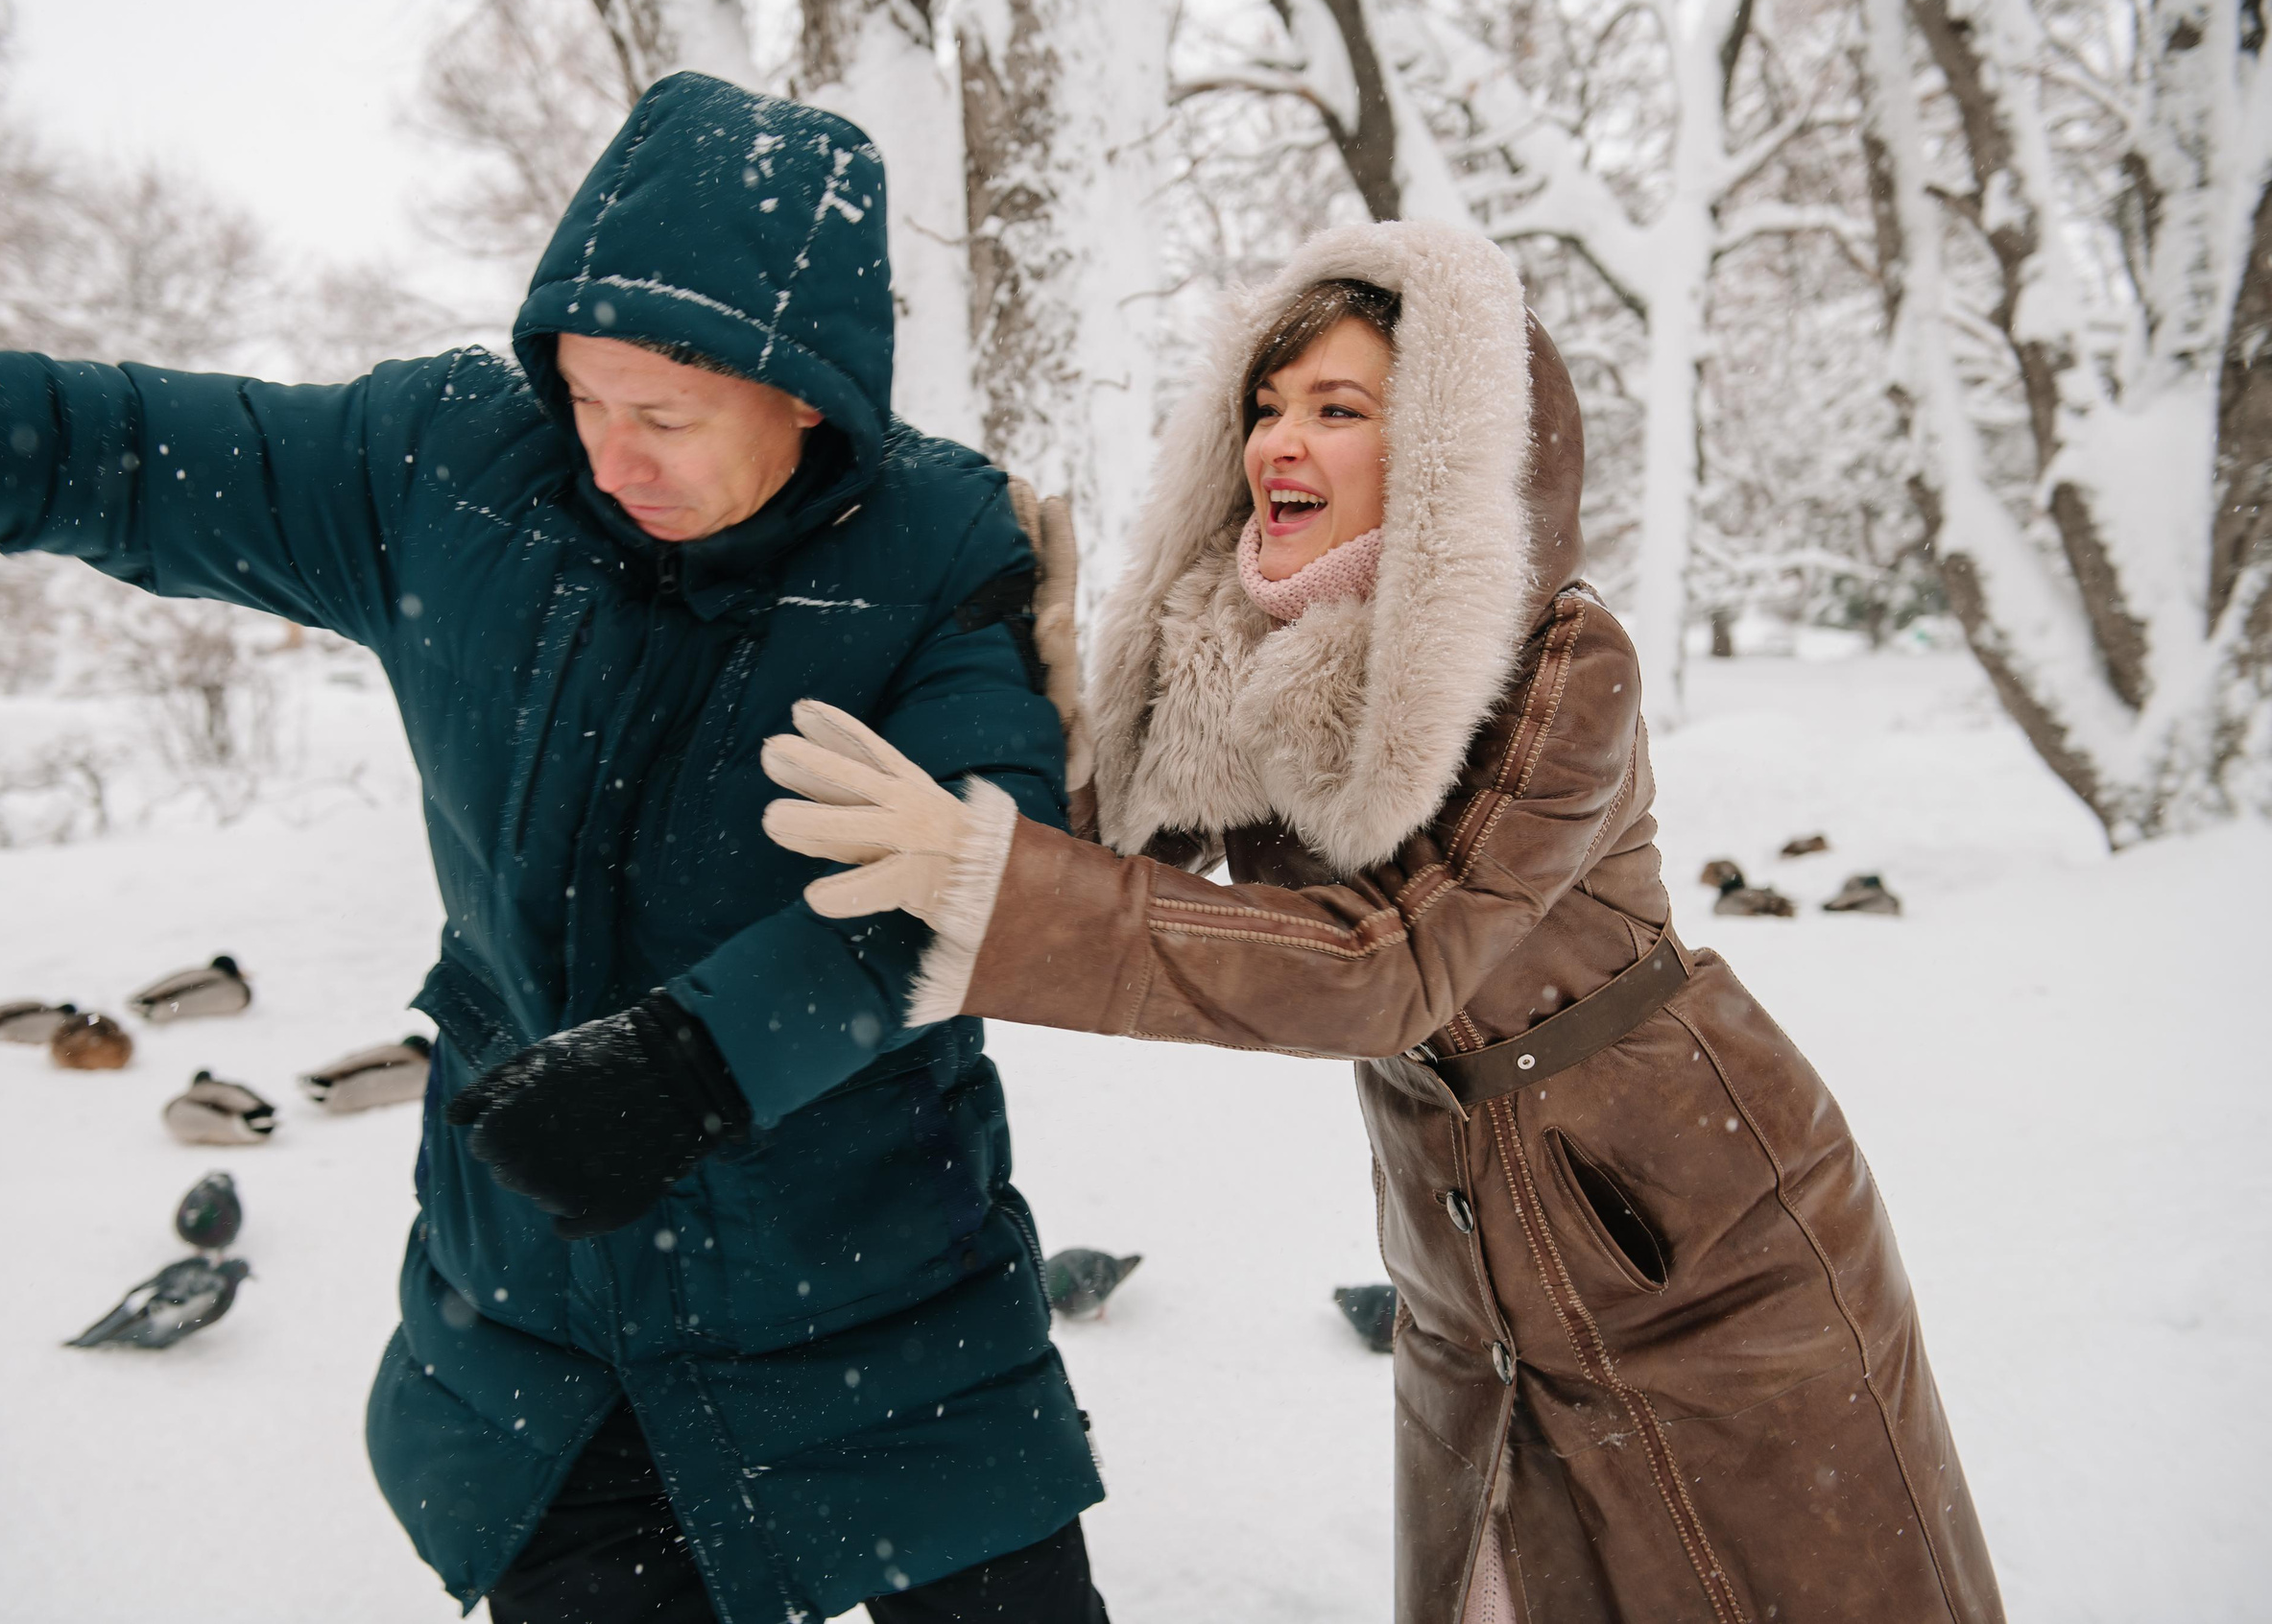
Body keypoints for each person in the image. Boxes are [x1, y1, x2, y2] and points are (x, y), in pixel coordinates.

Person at [0, 74, 1108, 1624]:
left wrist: (701, 1066)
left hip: (879, 1307)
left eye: (666, 417)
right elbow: (106, 449)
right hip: (547, 1320)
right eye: (584, 398)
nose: (610, 453)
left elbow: (983, 881)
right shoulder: (446, 472)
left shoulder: (945, 551)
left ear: (809, 392)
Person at [759, 222, 2006, 1623]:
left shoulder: (1563, 661)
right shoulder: (1245, 653)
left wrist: (1000, 887)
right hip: (1465, 1260)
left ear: (1448, 455)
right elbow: (1111, 848)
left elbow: (1390, 962)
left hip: (1699, 1241)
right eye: (1267, 406)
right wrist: (1048, 677)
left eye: (1338, 411)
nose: (1279, 443)